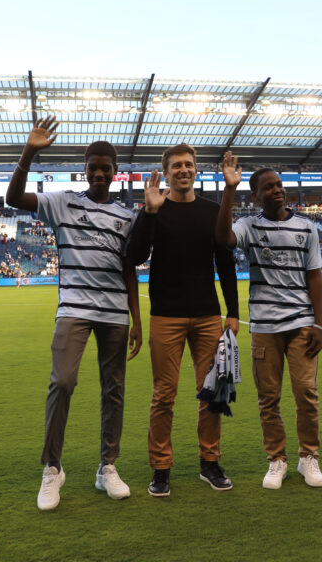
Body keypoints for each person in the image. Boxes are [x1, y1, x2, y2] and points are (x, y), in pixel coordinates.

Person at [6, 116, 142, 511]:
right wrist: (29, 152)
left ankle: (107, 466)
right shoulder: (63, 202)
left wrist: (136, 318)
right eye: (93, 168)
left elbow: (129, 270)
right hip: (74, 309)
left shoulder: (127, 217)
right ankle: (52, 468)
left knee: (113, 390)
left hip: (115, 313)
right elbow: (14, 199)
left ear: (115, 172)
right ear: (84, 170)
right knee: (62, 382)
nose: (99, 174)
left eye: (106, 169)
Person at [125, 141, 240, 498]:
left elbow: (225, 263)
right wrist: (149, 212)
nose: (183, 170)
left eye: (188, 164)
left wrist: (234, 312)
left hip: (207, 314)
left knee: (211, 393)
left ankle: (210, 462)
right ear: (167, 172)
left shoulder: (212, 211)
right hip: (166, 315)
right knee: (164, 395)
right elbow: (135, 255)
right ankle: (161, 469)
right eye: (176, 165)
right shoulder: (154, 209)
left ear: (195, 169)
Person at [215, 156, 322, 490]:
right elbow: (222, 238)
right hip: (264, 326)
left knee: (306, 393)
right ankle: (277, 459)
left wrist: (319, 324)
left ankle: (308, 456)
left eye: (279, 185)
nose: (277, 190)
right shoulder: (248, 225)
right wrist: (229, 189)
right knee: (269, 397)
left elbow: (315, 276)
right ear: (256, 195)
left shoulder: (306, 227)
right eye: (269, 187)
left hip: (301, 323)